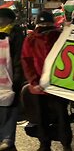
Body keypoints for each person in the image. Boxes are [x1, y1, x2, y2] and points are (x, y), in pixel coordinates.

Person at [21, 11, 72, 151]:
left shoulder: (59, 36)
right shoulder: (32, 39)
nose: (44, 26)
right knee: (46, 116)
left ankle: (62, 143)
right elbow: (27, 60)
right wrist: (34, 81)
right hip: (45, 86)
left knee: (59, 116)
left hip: (54, 85)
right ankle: (48, 144)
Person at [0, 8, 25, 151]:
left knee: (9, 109)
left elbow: (18, 58)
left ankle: (8, 138)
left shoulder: (15, 34)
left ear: (9, 19)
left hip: (9, 78)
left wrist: (17, 78)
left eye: (2, 18)